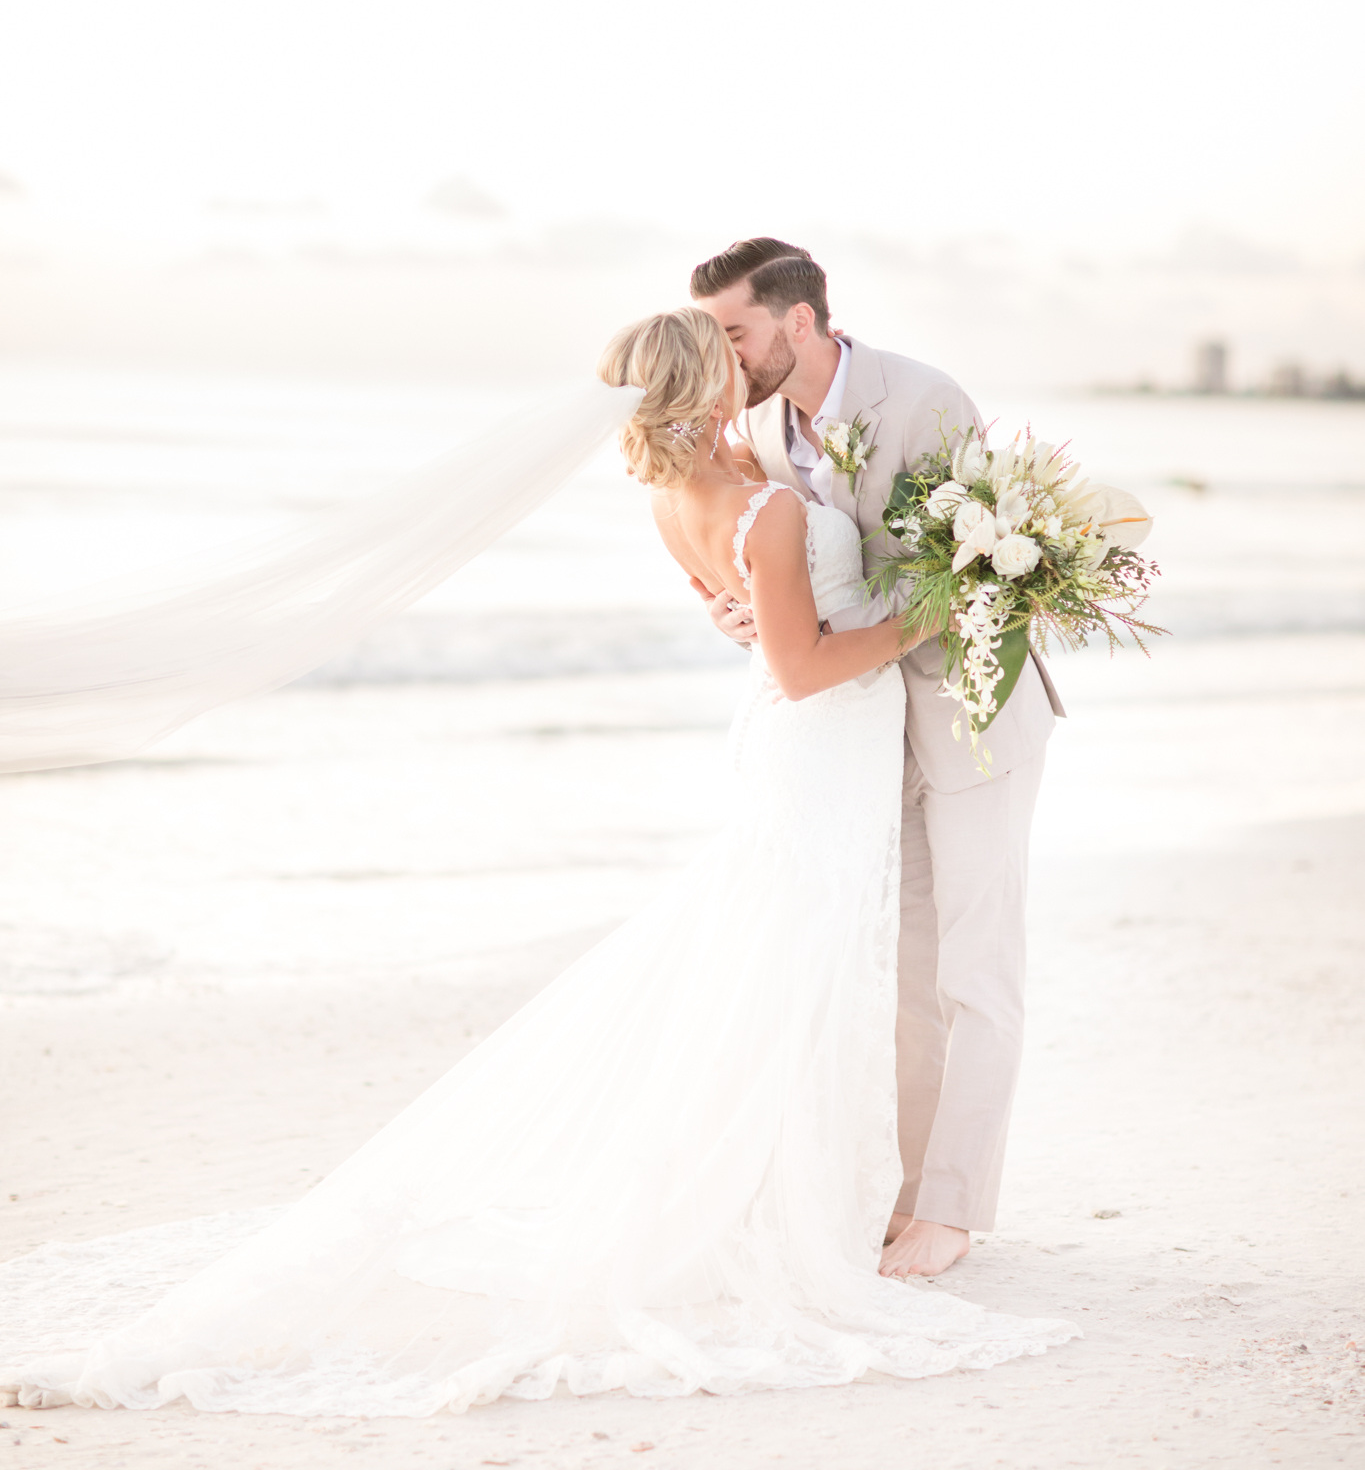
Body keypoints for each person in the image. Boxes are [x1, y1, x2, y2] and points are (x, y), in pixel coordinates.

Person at [1, 309, 1073, 1418]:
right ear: (707, 387)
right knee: (792, 961)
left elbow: (751, 614)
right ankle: (770, 1207)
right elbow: (805, 668)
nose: (744, 369)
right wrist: (932, 606)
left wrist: (763, 604)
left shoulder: (693, 488)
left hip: (803, 747)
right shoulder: (763, 504)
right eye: (726, 361)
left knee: (784, 958)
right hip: (816, 734)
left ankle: (779, 1188)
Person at [690, 239, 1064, 1279]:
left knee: (976, 967)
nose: (724, 354)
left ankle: (955, 1206)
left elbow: (982, 562)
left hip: (972, 708)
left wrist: (855, 635)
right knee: (907, 977)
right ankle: (910, 1198)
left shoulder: (923, 398)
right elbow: (793, 573)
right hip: (858, 736)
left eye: (735, 331)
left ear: (800, 319)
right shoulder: (757, 426)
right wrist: (748, 618)